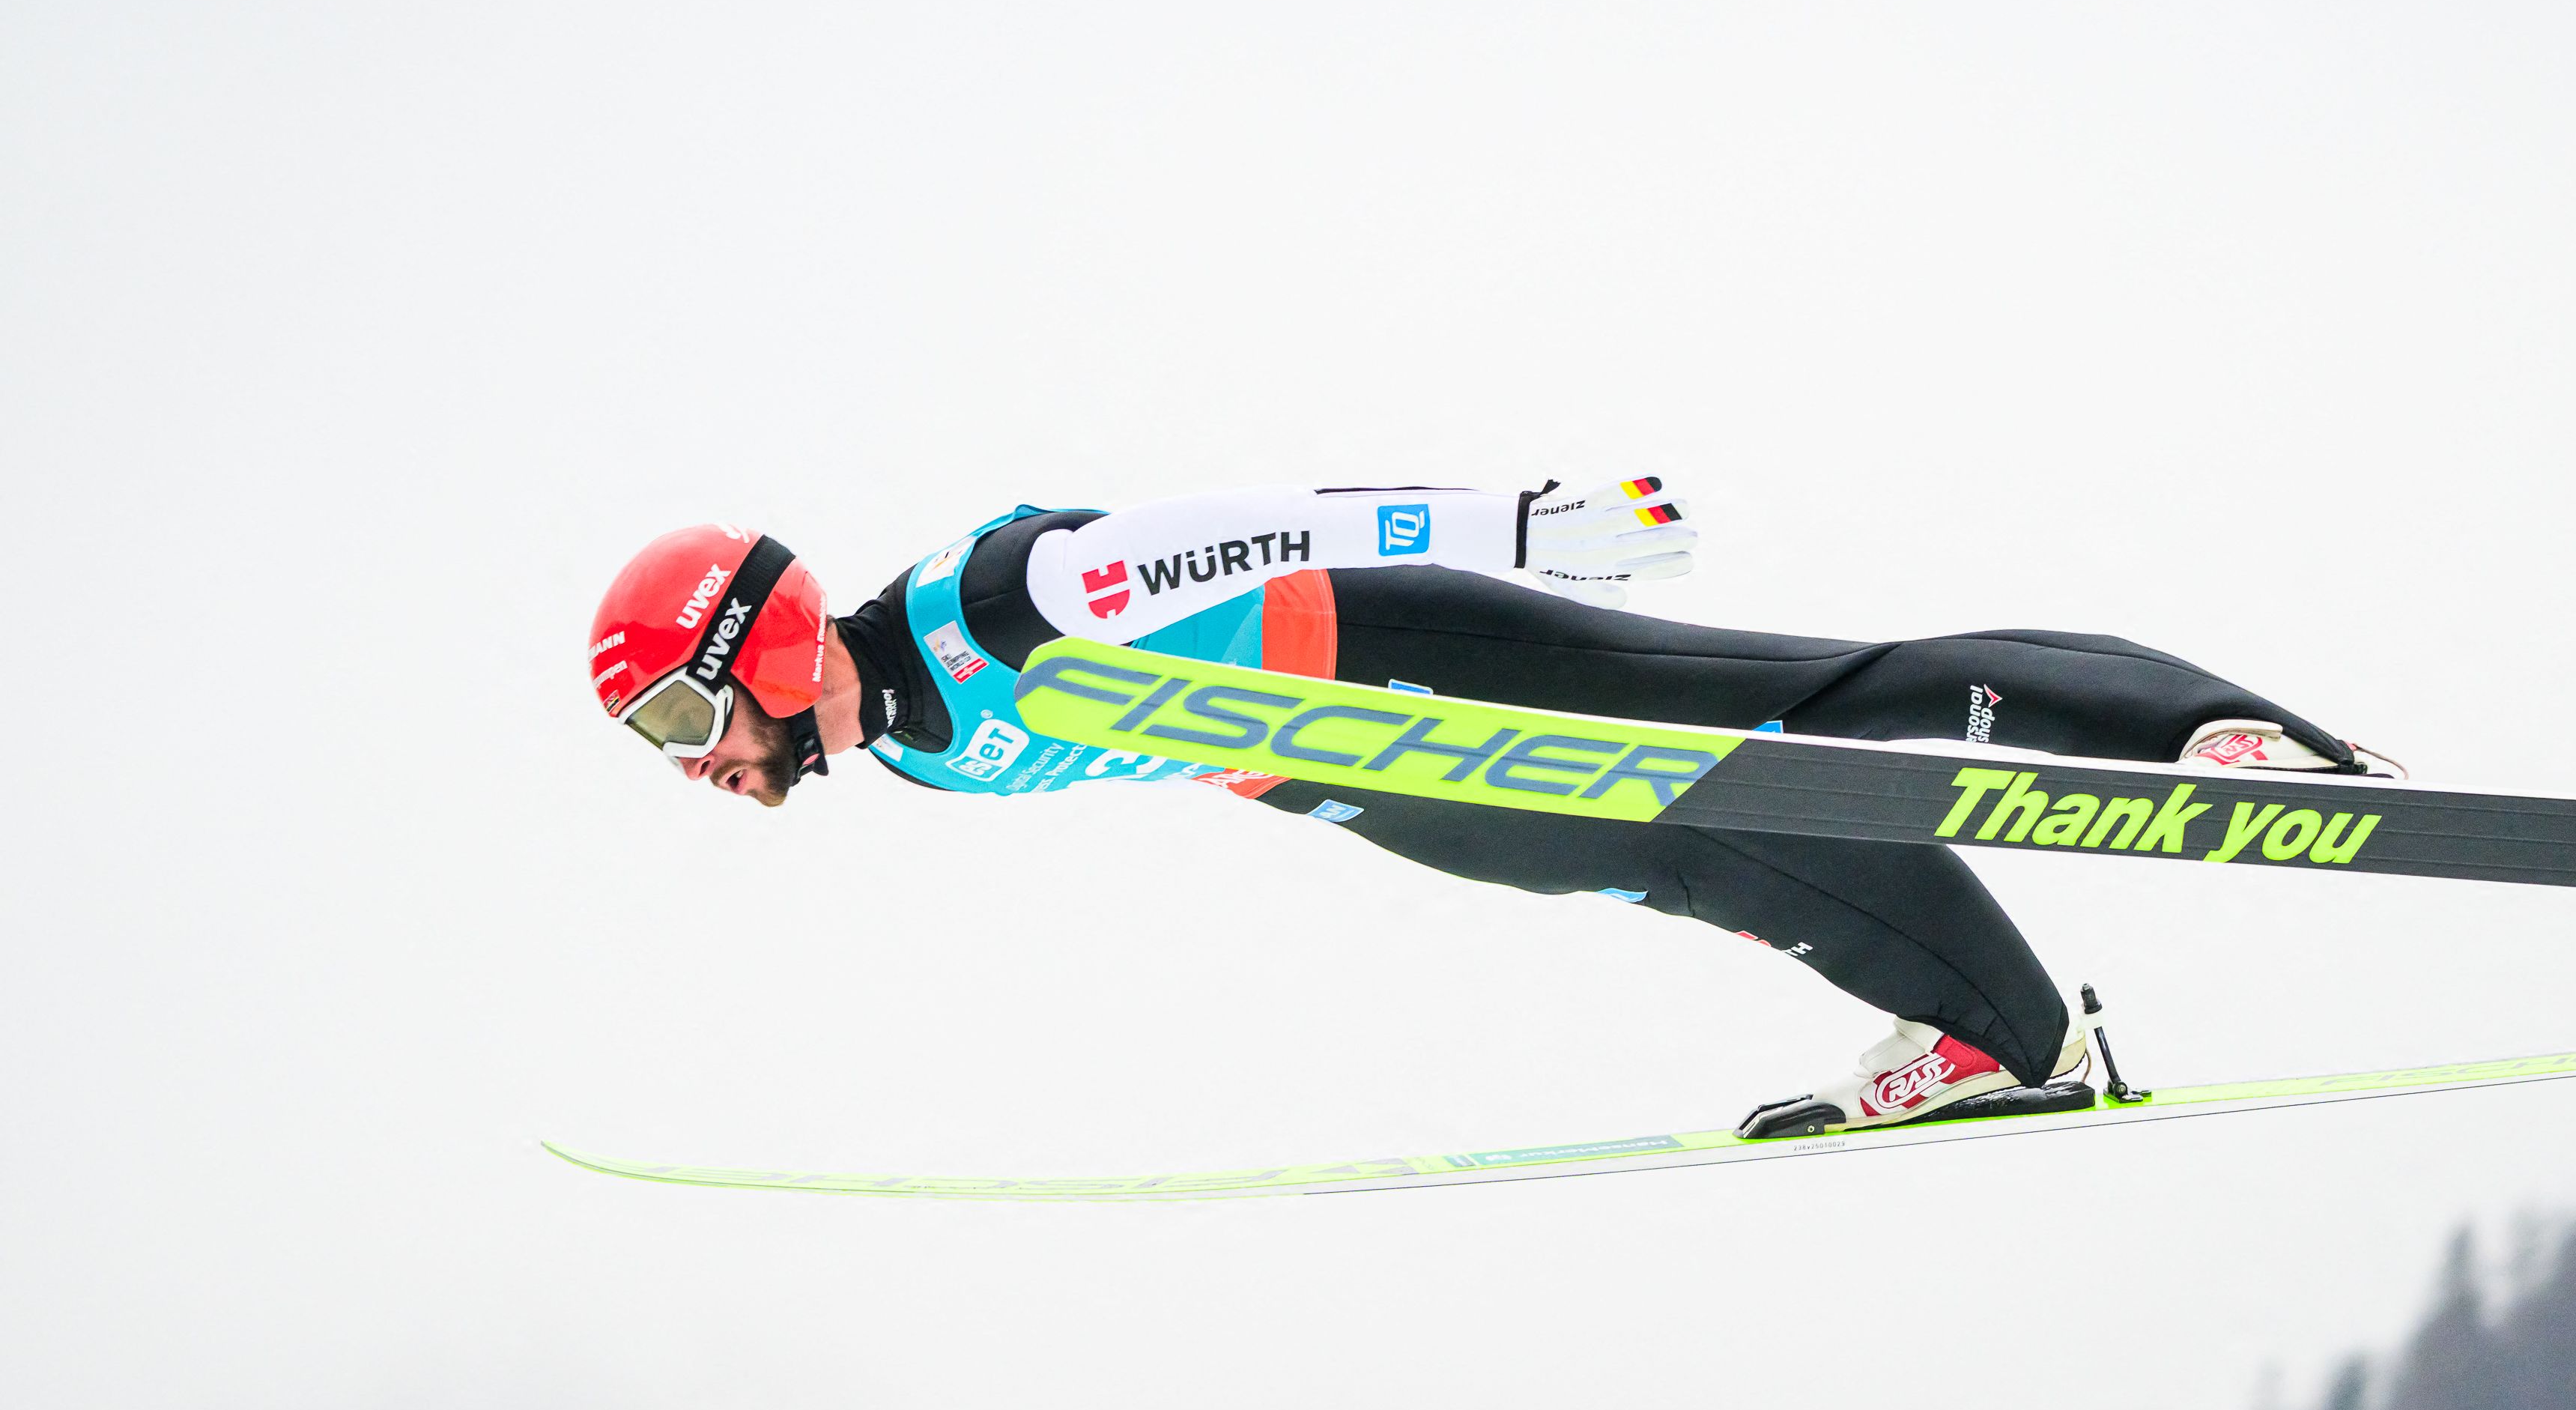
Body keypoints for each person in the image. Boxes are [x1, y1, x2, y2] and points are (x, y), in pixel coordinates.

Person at [586, 478, 2398, 1136]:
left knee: (1796, 701)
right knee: (1710, 853)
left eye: (685, 712)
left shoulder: (1003, 593)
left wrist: (1514, 530)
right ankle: (2012, 1037)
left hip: (1400, 658)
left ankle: (2201, 733)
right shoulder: (901, 739)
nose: (702, 766)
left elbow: (1273, 526)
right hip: (1349, 775)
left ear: (757, 639)